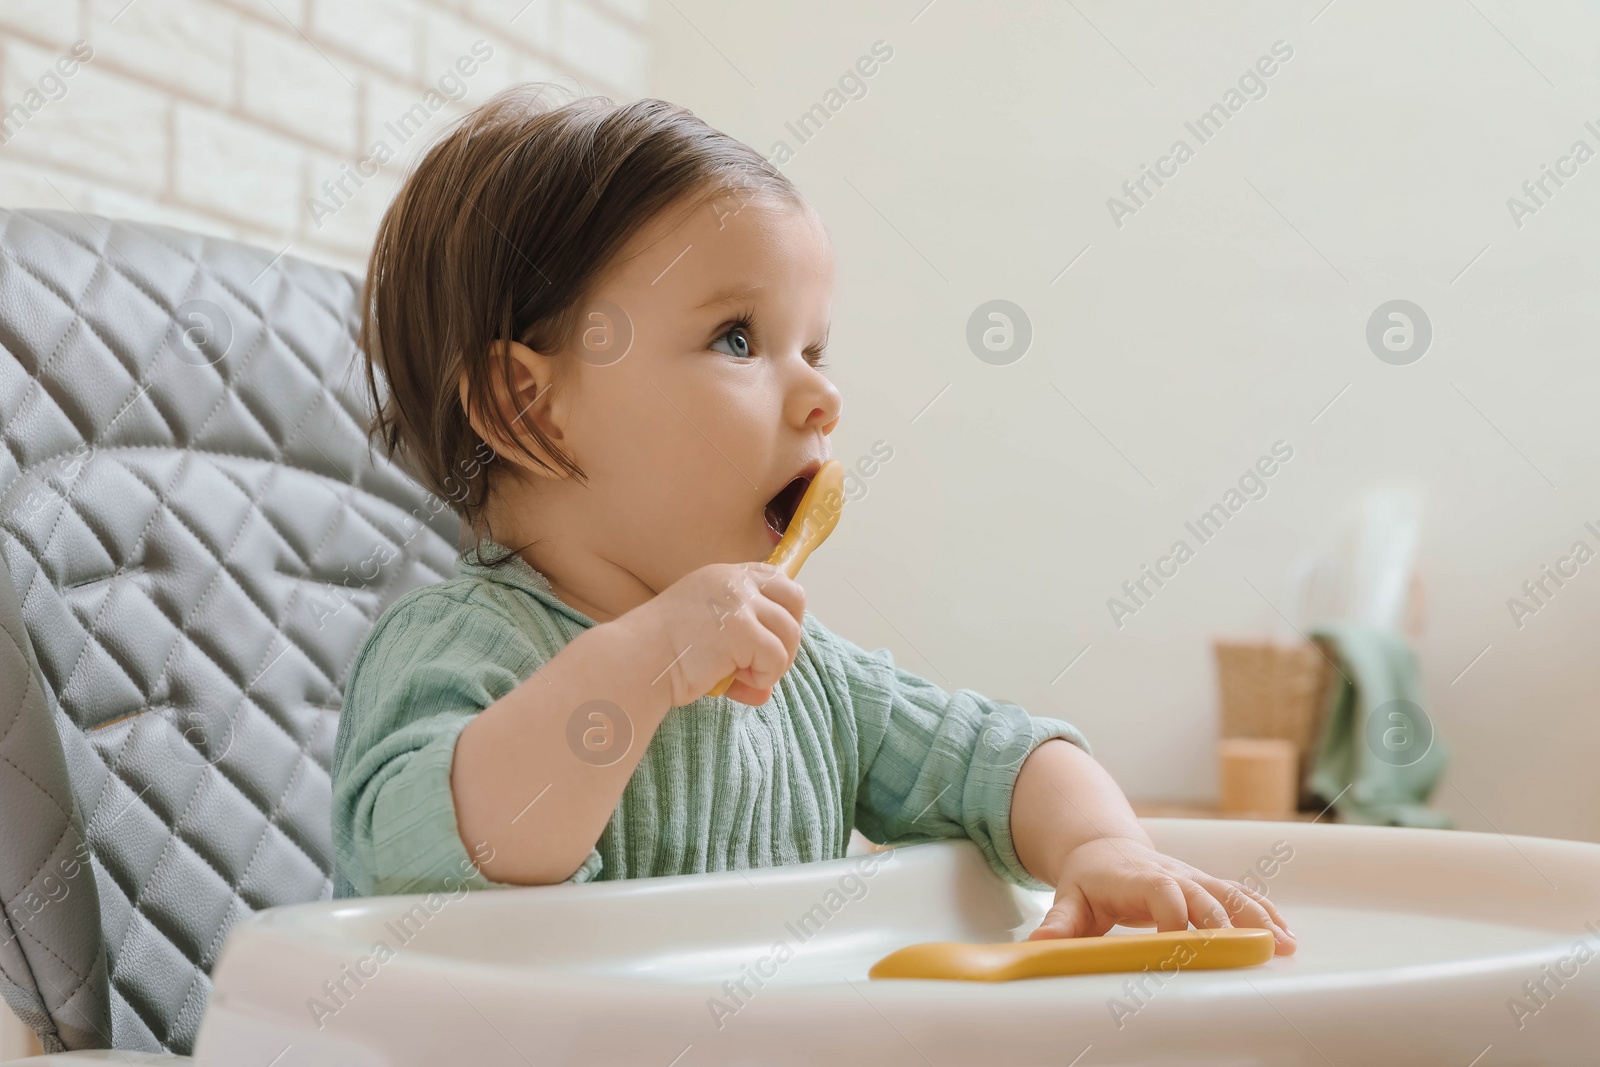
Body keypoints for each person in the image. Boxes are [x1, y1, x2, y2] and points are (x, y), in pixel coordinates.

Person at [329, 85, 1294, 955]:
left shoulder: (810, 675)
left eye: (817, 348)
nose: (821, 396)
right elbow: (433, 857)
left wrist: (1102, 847)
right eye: (738, 338)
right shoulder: (460, 650)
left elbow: (1003, 757)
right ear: (529, 407)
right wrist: (646, 663)